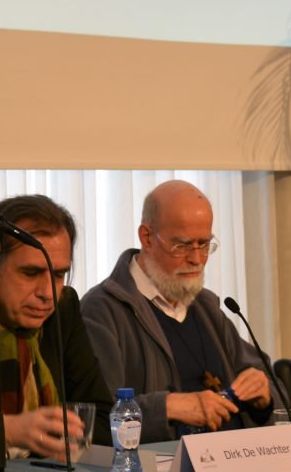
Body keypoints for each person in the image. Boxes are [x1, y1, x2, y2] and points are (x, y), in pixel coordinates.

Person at [0, 194, 113, 472]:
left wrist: (44, 432)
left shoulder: (64, 309)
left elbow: (100, 418)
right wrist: (5, 432)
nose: (48, 293)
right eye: (30, 273)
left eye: (58, 274)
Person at [81, 180, 278, 443]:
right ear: (147, 237)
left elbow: (280, 395)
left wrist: (263, 395)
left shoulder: (205, 306)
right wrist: (168, 407)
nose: (197, 259)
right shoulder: (103, 310)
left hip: (234, 459)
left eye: (205, 244)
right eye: (183, 246)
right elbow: (98, 420)